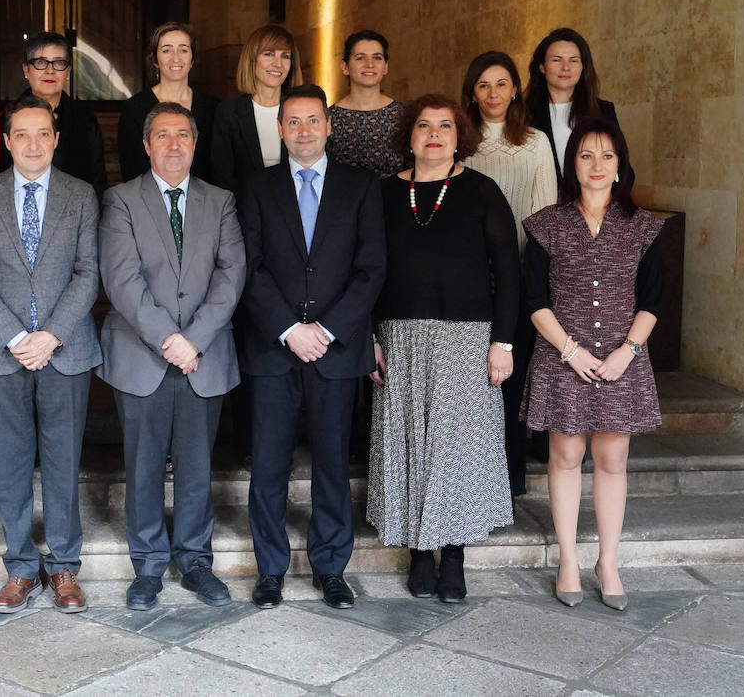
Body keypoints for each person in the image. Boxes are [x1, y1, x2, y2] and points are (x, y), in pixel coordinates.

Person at [236, 85, 386, 611]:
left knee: (331, 465)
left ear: (328, 126)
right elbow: (247, 267)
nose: (303, 130)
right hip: (272, 350)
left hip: (336, 350)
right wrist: (287, 328)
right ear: (280, 129)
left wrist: (325, 330)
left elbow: (371, 270)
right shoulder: (255, 187)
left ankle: (331, 568)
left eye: (312, 121)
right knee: (269, 466)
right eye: (292, 121)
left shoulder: (362, 187)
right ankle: (270, 571)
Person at [368, 94, 520, 604]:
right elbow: (363, 270)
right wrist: (367, 337)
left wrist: (503, 341)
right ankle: (417, 552)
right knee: (409, 444)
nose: (434, 135)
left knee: (456, 449)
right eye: (424, 126)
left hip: (467, 338)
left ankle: (452, 554)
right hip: (399, 337)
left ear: (460, 137)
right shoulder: (384, 193)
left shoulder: (481, 191)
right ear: (408, 137)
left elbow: (510, 271)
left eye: (445, 127)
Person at [98, 102, 246, 611]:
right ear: (146, 145)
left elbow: (231, 276)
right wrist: (170, 339)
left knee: (196, 465)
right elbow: (122, 279)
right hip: (143, 355)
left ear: (195, 142)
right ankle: (148, 565)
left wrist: (195, 339)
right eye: (163, 135)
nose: (174, 145)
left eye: (183, 134)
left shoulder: (221, 201)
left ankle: (195, 561)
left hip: (203, 356)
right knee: (142, 465)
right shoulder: (120, 200)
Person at [0, 95, 102, 614]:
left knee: (63, 464)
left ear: (57, 139)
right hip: (4, 355)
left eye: (43, 133)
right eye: (22, 134)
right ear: (7, 140)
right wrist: (16, 337)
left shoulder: (82, 195)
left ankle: (64, 567)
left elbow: (89, 272)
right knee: (12, 464)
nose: (34, 143)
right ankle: (20, 567)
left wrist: (52, 335)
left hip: (66, 352)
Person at [521, 117, 663, 612]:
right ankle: (566, 560)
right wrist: (572, 351)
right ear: (571, 165)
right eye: (585, 155)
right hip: (565, 359)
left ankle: (607, 562)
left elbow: (652, 299)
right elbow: (534, 299)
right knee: (564, 457)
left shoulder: (644, 227)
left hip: (623, 361)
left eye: (606, 155)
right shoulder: (547, 224)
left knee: (612, 460)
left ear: (620, 164)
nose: (596, 165)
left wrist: (628, 351)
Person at [460, 50, 558, 495]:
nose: (493, 93)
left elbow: (544, 214)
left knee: (512, 380)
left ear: (515, 88)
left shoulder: (535, 142)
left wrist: (525, 272)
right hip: (469, 277)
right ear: (472, 93)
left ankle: (510, 478)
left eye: (501, 83)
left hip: (518, 274)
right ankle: (472, 479)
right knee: (471, 382)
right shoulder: (460, 140)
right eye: (483, 85)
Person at [0, 31, 107, 197]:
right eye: (41, 62)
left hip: (77, 212)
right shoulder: (10, 116)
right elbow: (0, 176)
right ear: (26, 70)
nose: (50, 70)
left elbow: (97, 180)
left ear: (68, 70)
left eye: (58, 63)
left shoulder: (84, 118)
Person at [117, 23, 218, 183]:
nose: (176, 58)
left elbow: (217, 166)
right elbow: (131, 168)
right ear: (155, 59)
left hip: (203, 202)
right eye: (166, 50)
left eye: (183, 50)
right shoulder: (134, 108)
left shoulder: (213, 108)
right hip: (150, 201)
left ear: (192, 59)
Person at [208, 24, 300, 195]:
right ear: (252, 59)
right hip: (245, 213)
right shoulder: (229, 113)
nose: (278, 63)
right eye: (268, 54)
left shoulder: (301, 110)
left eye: (285, 56)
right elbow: (222, 178)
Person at [524, 27, 622, 178]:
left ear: (583, 67)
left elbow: (623, 168)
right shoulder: (523, 112)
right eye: (556, 60)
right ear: (542, 67)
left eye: (574, 60)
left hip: (593, 200)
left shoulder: (603, 111)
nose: (565, 67)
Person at [326, 30, 406, 179]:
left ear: (385, 67)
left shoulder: (403, 115)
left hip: (394, 200)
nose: (370, 64)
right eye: (360, 58)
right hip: (345, 200)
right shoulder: (329, 118)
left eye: (377, 58)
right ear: (345, 67)